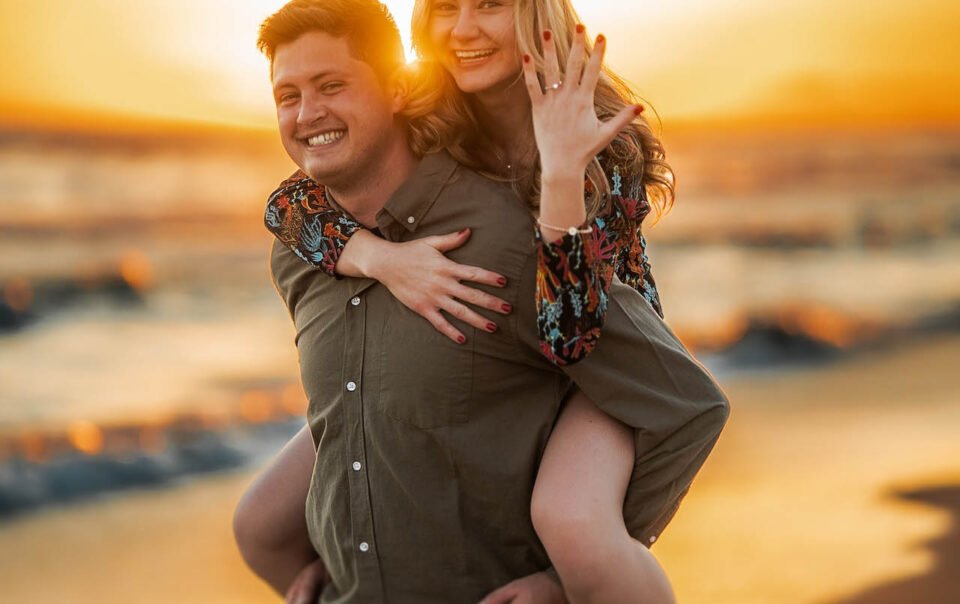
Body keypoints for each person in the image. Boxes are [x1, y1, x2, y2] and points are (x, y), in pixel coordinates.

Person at [233, 1, 729, 602]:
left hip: (587, 346)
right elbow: (290, 200)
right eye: (446, 6)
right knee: (261, 522)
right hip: (519, 324)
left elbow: (571, 329)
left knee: (573, 522)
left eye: (489, 3)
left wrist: (562, 177)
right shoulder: (431, 101)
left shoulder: (597, 132)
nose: (464, 28)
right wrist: (382, 258)